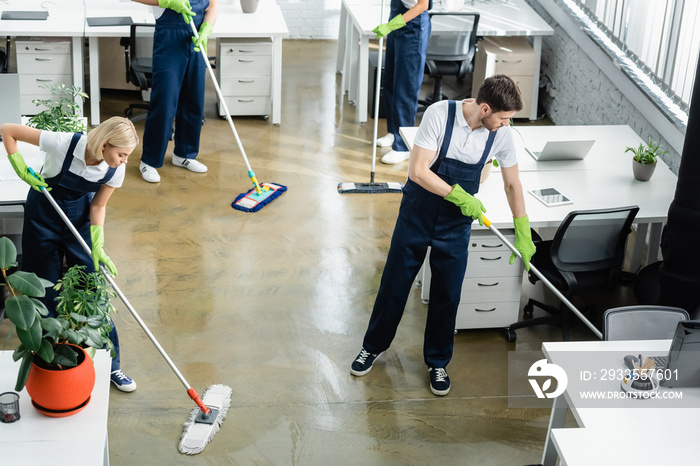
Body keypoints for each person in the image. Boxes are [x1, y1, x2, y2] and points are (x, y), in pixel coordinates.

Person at [350, 75, 536, 396]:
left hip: (455, 224)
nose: (507, 125)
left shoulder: (502, 134)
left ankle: (438, 362)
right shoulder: (440, 114)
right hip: (418, 214)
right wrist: (461, 196)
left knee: (447, 295)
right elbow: (418, 171)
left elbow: (512, 183)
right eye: (504, 118)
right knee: (395, 283)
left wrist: (523, 229)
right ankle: (373, 346)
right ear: (485, 109)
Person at [0, 117, 140, 392]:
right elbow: (7, 130)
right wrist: (19, 166)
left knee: (92, 289)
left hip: (80, 219)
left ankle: (111, 365)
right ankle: (48, 359)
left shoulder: (115, 170)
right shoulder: (63, 143)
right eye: (121, 154)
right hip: (43, 217)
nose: (124, 161)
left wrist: (97, 243)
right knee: (44, 287)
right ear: (104, 144)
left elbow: (98, 206)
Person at [132, 0, 218, 183]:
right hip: (170, 39)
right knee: (164, 102)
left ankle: (184, 154)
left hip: (196, 39)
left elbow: (212, 7)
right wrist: (166, 1)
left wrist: (207, 28)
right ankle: (149, 160)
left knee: (193, 101)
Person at [373, 0, 431, 165]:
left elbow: (422, 5)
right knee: (390, 82)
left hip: (413, 26)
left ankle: (403, 146)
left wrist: (392, 25)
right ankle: (394, 132)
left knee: (405, 88)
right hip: (397, 20)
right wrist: (392, 24)